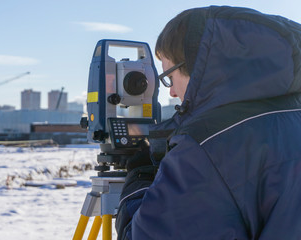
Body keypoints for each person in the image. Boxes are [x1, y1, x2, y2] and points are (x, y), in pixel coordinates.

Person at [115, 5, 301, 240]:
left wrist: (140, 182)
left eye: (169, 78)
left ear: (200, 67)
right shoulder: (292, 117)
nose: (171, 92)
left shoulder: (205, 150)